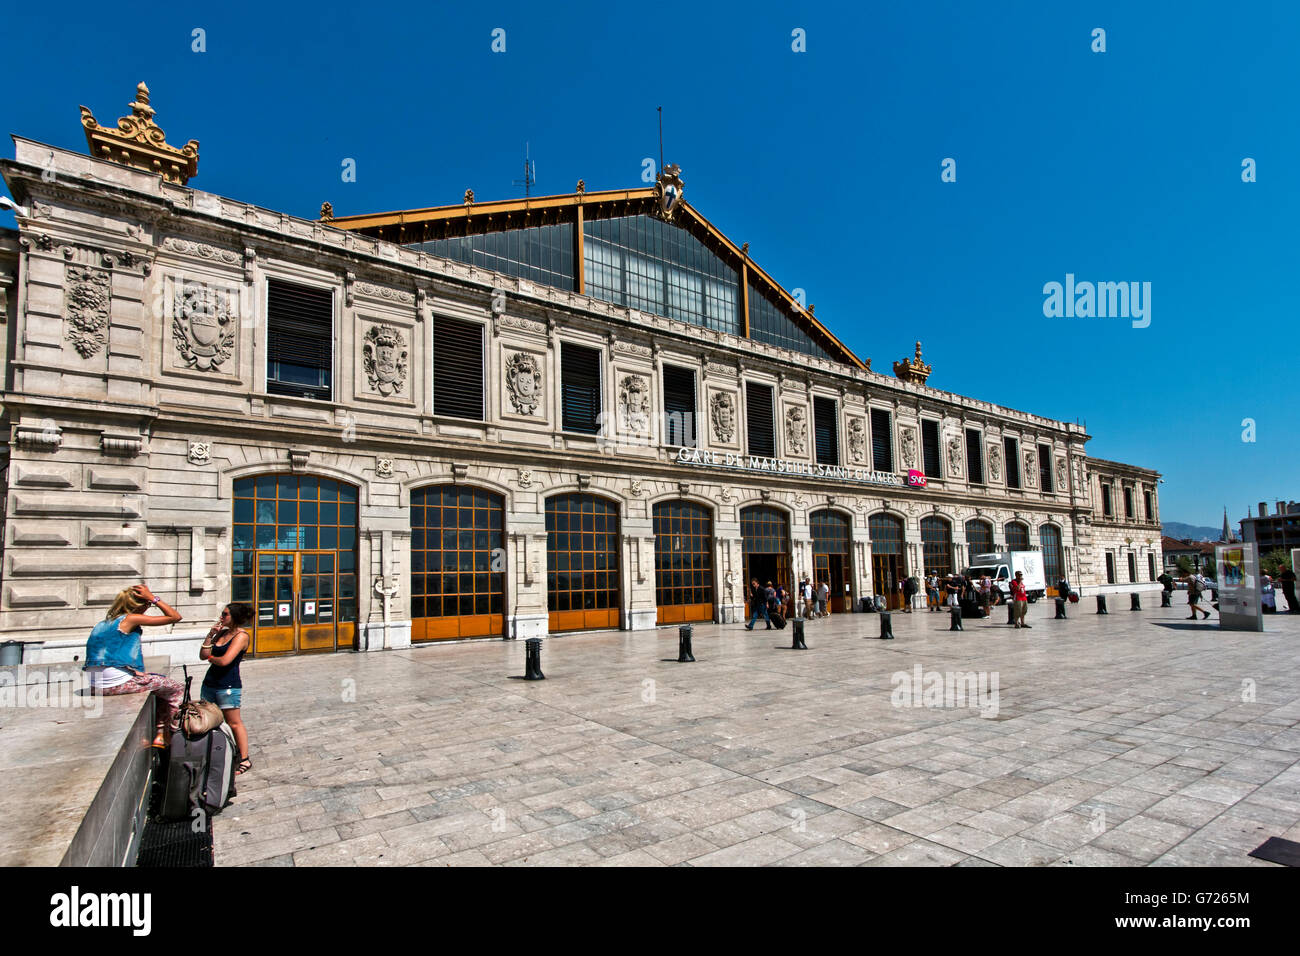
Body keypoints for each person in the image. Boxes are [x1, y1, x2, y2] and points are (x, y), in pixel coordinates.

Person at [84, 584, 185, 747]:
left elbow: (109, 656)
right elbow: (175, 617)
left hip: (95, 684)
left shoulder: (103, 623)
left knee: (158, 683)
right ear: (141, 605)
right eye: (148, 605)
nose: (148, 607)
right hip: (114, 684)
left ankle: (157, 732)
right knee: (176, 688)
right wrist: (153, 597)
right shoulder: (130, 618)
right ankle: (168, 733)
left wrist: (130, 671)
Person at [200, 603, 253, 775]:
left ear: (235, 616)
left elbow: (225, 661)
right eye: (222, 614)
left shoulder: (241, 636)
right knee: (207, 721)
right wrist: (210, 635)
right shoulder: (221, 633)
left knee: (234, 722)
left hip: (228, 685)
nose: (222, 617)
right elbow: (202, 655)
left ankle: (244, 758)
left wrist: (211, 657)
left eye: (225, 614)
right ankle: (215, 752)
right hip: (209, 683)